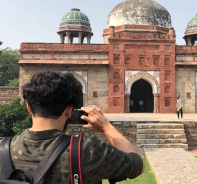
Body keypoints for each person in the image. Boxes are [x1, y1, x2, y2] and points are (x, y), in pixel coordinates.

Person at [0, 71, 144, 183]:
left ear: (29, 107)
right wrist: (107, 127)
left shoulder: (2, 149)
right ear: (69, 111)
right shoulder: (90, 150)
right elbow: (138, 164)